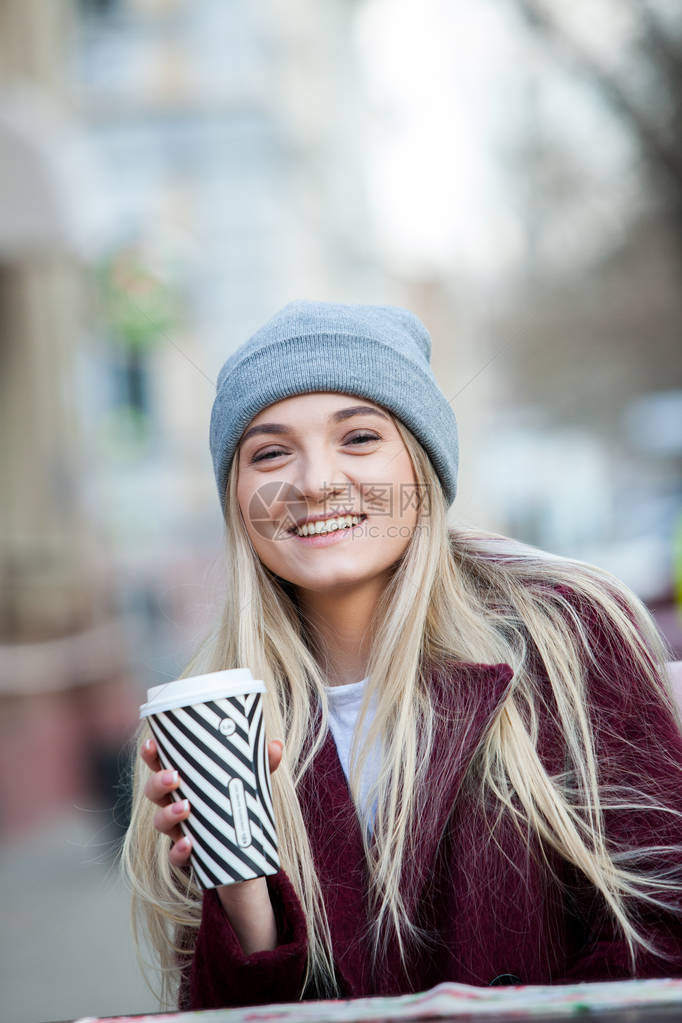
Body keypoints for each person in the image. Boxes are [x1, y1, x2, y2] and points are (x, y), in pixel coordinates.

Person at [121, 300, 682, 1012]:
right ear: (237, 498)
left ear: (421, 463)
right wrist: (243, 890)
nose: (314, 480)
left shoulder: (568, 633)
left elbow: (658, 931)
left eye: (358, 437)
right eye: (269, 451)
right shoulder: (214, 712)